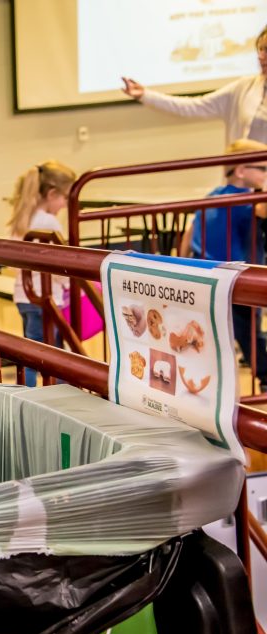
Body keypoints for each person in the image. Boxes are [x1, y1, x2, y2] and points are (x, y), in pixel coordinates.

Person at [181, 138, 267, 389]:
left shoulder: (212, 196)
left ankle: (211, 379)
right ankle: (264, 376)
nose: (265, 173)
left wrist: (183, 260)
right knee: (249, 332)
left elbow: (190, 230)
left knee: (215, 330)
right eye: (262, 168)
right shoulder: (248, 200)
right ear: (241, 171)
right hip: (237, 276)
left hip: (205, 273)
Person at [121, 25, 267, 145]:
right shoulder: (244, 88)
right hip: (243, 177)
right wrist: (145, 95)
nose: (260, 56)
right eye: (260, 49)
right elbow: (193, 106)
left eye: (266, 49)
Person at [7, 161, 76, 387]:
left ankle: (51, 389)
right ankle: (37, 393)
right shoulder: (48, 222)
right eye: (64, 198)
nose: (65, 205)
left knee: (34, 347)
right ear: (52, 193)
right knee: (45, 352)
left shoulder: (22, 218)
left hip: (23, 296)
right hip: (45, 298)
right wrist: (68, 283)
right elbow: (58, 261)